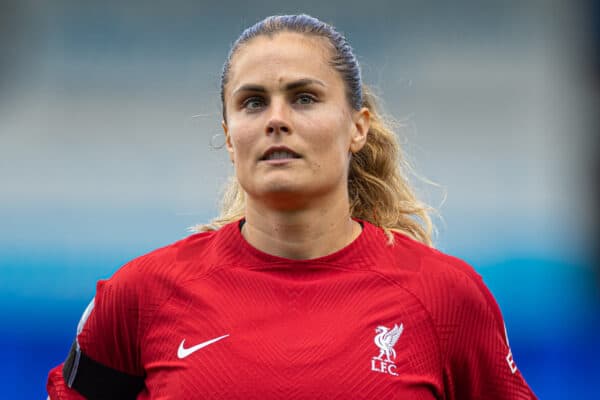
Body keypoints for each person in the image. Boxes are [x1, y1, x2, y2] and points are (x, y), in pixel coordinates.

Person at [47, 14, 537, 399]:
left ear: (358, 127)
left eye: (304, 98)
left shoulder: (445, 297)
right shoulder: (141, 295)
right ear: (229, 137)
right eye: (253, 102)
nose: (276, 119)